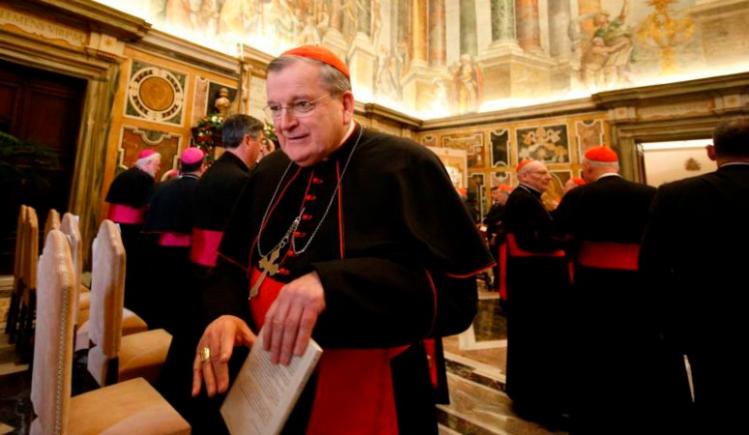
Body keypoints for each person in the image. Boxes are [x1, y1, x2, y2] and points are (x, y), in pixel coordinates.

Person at [192, 45, 493, 433]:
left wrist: (332, 285)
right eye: (275, 108)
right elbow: (230, 265)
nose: (284, 124)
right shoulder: (269, 169)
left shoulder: (405, 164)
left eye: (302, 104)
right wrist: (224, 312)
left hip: (367, 387)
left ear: (346, 104)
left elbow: (456, 300)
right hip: (264, 378)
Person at [554, 145, 690, 434]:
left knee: (598, 347)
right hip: (641, 281)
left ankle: (600, 411)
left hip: (594, 283)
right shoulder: (649, 193)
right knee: (645, 344)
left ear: (588, 169)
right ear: (616, 167)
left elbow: (558, 232)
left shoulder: (578, 195)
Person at [639, 117, 749, 434]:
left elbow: (652, 265)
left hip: (706, 319)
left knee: (714, 396)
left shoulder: (676, 194)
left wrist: (664, 322)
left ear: (711, 151)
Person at [168, 115, 265, 434]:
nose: (261, 148)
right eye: (260, 141)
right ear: (248, 140)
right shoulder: (240, 179)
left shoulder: (213, 171)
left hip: (198, 268)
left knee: (194, 336)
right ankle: (205, 406)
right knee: (211, 342)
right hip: (219, 274)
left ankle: (187, 395)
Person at [502, 159, 570, 429]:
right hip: (536, 283)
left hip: (530, 280)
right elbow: (533, 241)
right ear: (525, 176)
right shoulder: (524, 200)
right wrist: (567, 241)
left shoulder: (527, 198)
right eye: (542, 173)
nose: (548, 176)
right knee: (539, 339)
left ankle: (529, 396)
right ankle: (539, 402)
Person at [141, 147, 205, 331]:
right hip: (187, 254)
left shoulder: (163, 186)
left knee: (161, 292)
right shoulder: (202, 189)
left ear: (181, 165)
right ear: (202, 167)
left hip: (158, 251)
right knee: (180, 299)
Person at [105, 148, 161, 310]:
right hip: (132, 230)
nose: (158, 169)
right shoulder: (144, 179)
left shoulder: (125, 175)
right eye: (156, 165)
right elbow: (149, 205)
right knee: (130, 267)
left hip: (114, 227)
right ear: (148, 163)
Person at [483, 184, 511, 294]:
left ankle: (500, 284)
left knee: (501, 263)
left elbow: (499, 221)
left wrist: (494, 222)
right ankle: (497, 283)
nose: (496, 196)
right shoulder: (496, 206)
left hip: (501, 239)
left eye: (498, 194)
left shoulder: (506, 207)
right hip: (493, 237)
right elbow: (487, 220)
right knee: (495, 262)